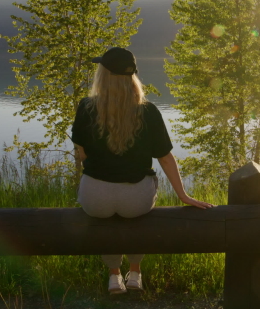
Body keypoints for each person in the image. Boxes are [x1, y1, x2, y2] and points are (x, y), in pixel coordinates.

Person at [71, 47, 214, 294]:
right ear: (132, 76)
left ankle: (114, 277)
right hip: (135, 199)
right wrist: (184, 196)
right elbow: (166, 159)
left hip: (95, 198)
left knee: (105, 221)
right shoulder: (148, 111)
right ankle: (135, 273)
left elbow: (82, 154)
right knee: (135, 211)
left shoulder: (86, 107)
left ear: (102, 75)